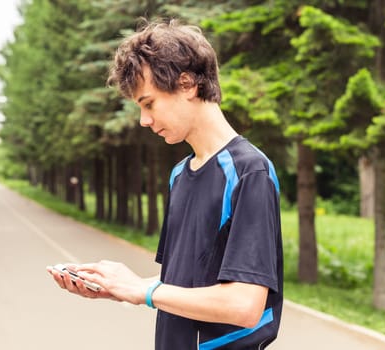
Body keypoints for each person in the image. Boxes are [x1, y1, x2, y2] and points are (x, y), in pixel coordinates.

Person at [47, 18, 283, 349]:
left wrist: (142, 291)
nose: (144, 120)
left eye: (148, 103)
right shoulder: (180, 175)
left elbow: (244, 305)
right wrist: (121, 287)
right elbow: (185, 284)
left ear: (187, 84)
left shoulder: (250, 171)